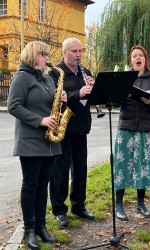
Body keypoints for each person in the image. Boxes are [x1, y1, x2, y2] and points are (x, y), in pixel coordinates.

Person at [7, 41, 67, 249]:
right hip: (31, 140)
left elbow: (52, 104)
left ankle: (41, 227)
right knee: (31, 184)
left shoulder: (46, 77)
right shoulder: (21, 77)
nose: (48, 58)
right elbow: (13, 106)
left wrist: (62, 98)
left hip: (49, 141)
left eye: (48, 54)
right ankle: (29, 230)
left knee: (43, 184)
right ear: (33, 55)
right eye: (44, 54)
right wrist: (39, 120)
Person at [113, 45, 150, 221]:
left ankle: (141, 203)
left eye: (140, 55)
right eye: (134, 55)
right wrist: (121, 95)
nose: (137, 58)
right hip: (126, 128)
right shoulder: (125, 78)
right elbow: (113, 103)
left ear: (145, 59)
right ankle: (119, 204)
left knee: (143, 166)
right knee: (122, 165)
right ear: (131, 61)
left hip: (147, 129)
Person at [49, 37, 95, 227]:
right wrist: (79, 93)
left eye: (80, 51)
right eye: (75, 51)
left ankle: (79, 205)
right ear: (65, 52)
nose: (79, 55)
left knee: (81, 169)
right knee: (60, 170)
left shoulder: (85, 71)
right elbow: (53, 99)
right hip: (63, 128)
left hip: (80, 126)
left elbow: (88, 100)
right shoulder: (55, 73)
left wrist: (94, 90)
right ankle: (59, 210)